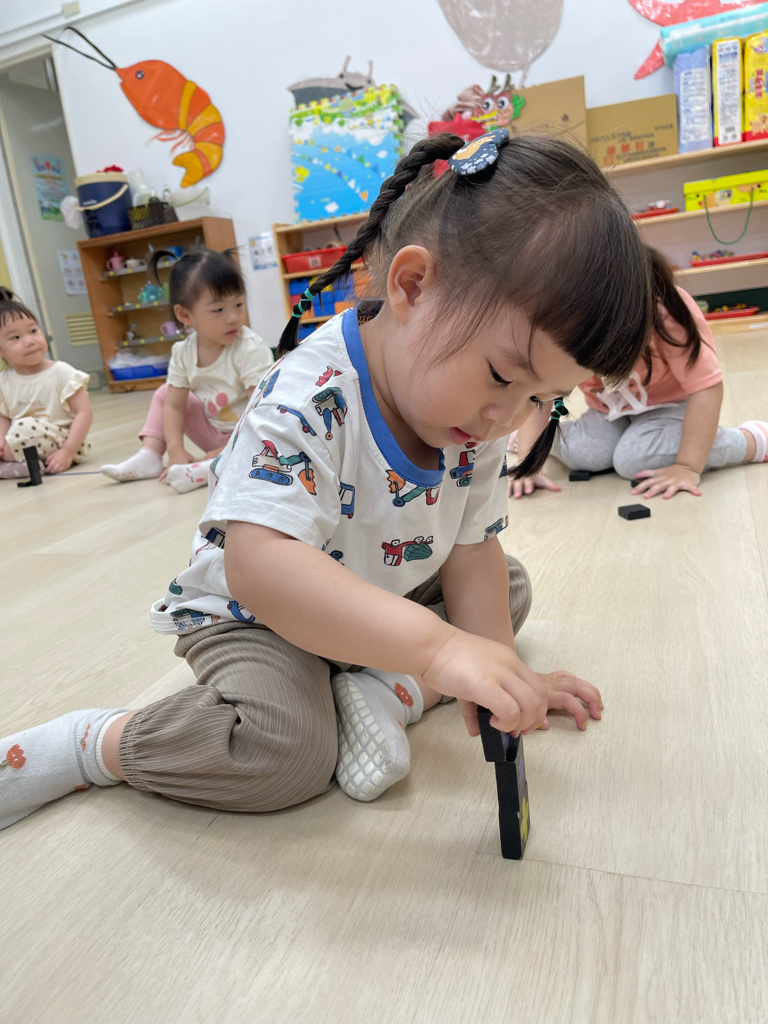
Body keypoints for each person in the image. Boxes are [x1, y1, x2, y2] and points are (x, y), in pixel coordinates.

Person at [0, 130, 651, 831]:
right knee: (284, 753)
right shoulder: (309, 396)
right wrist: (439, 649)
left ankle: (384, 690)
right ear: (412, 286)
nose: (508, 417)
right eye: (501, 376)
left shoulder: (479, 417)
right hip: (259, 615)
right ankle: (91, 744)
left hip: (382, 587)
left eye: (542, 398)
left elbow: (471, 549)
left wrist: (498, 671)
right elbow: (259, 568)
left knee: (503, 591)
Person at [509, 248, 768, 500]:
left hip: (671, 405)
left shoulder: (667, 313)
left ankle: (753, 440)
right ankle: (525, 439)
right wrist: (529, 462)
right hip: (608, 409)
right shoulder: (562, 322)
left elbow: (707, 387)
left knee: (633, 459)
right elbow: (541, 393)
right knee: (586, 454)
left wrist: (688, 466)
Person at [101, 248, 273, 493]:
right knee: (164, 394)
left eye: (238, 304)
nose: (233, 317)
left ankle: (212, 467)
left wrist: (227, 448)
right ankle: (150, 456)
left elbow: (262, 411)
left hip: (251, 434)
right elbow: (174, 407)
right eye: (218, 310)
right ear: (185, 315)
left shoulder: (250, 348)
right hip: (213, 432)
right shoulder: (184, 352)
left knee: (262, 444)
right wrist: (176, 450)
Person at [0, 288, 93, 479]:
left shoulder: (61, 372)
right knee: (18, 429)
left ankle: (9, 464)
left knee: (24, 427)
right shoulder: (4, 380)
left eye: (33, 331)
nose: (29, 341)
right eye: (15, 337)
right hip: (20, 442)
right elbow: (4, 417)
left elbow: (85, 413)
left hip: (62, 441)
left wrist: (68, 451)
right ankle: (18, 463)